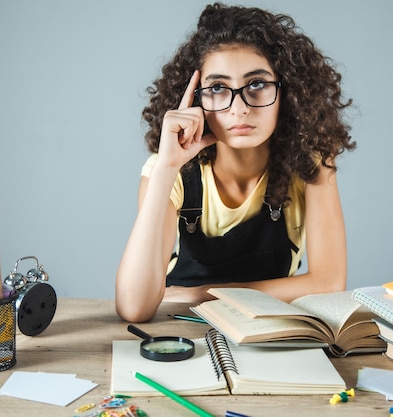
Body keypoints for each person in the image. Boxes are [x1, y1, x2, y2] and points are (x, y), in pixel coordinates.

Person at [116, 2, 356, 322]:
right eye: (218, 88)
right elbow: (134, 307)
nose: (239, 108)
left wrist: (199, 293)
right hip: (183, 325)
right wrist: (165, 168)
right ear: (196, 98)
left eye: (256, 84)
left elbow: (329, 283)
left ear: (288, 91)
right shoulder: (168, 172)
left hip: (269, 326)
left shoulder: (311, 164)